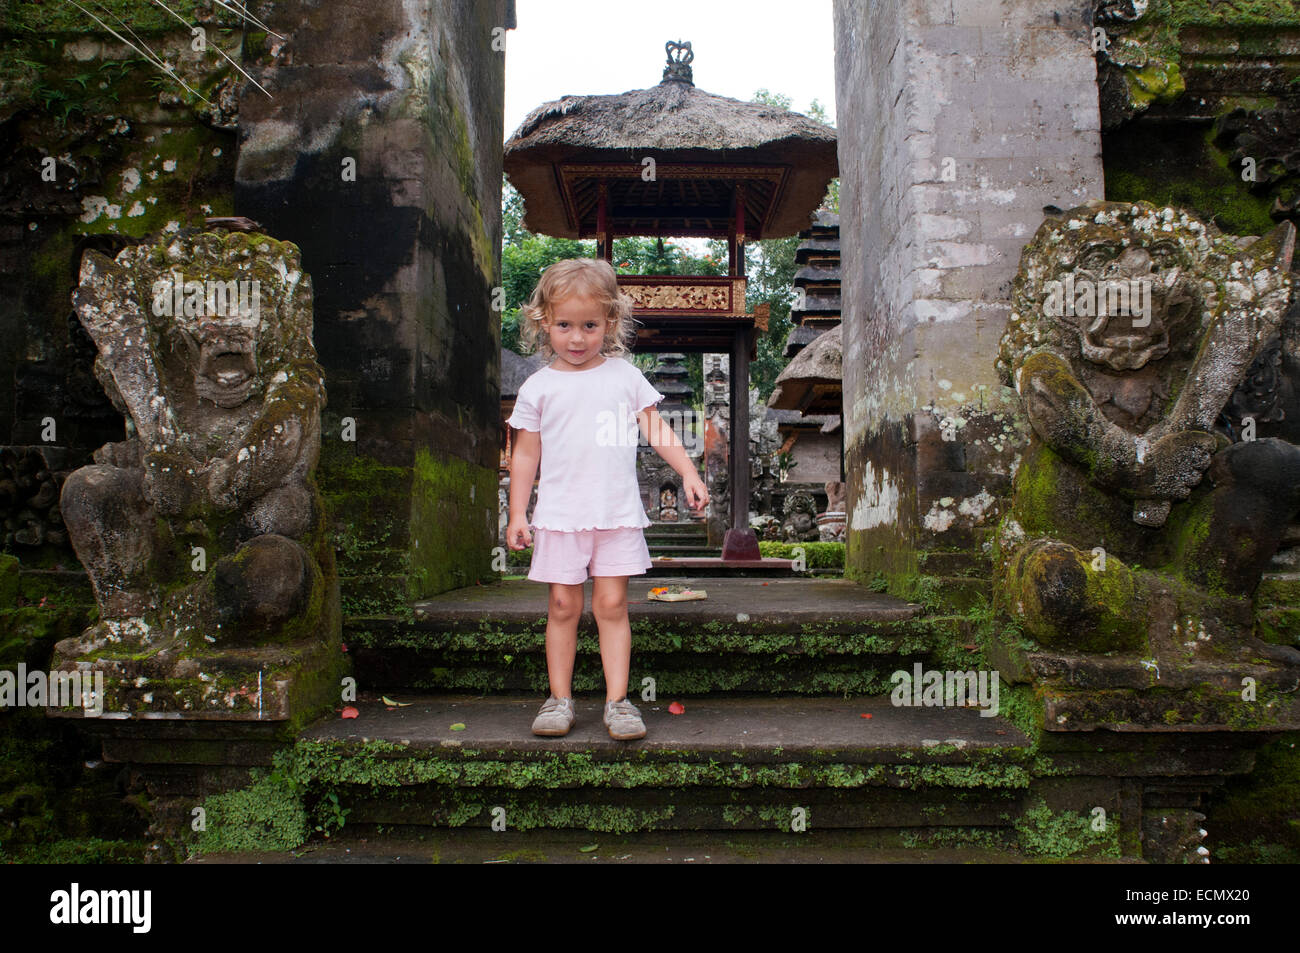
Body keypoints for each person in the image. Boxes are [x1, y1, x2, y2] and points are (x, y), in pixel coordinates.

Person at [504, 258, 709, 740]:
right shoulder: (538, 387)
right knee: (561, 606)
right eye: (564, 325)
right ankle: (559, 699)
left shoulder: (624, 377)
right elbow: (526, 453)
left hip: (615, 514)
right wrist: (518, 512)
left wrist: (689, 472)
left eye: (590, 326)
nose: (577, 338)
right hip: (559, 516)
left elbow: (657, 428)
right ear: (543, 324)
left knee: (613, 605)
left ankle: (618, 702)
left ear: (610, 323)